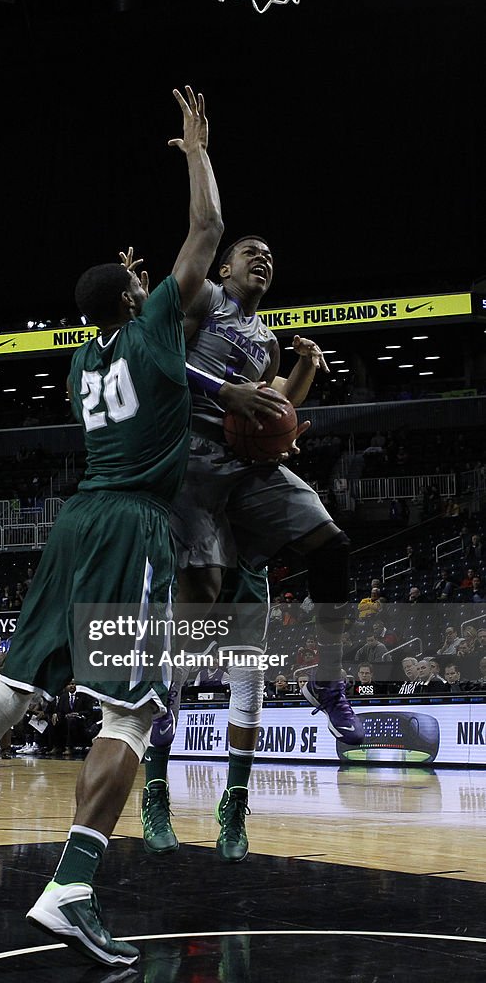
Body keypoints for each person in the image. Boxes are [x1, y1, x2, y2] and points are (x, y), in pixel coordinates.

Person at [0, 85, 223, 968]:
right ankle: (70, 889)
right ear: (138, 302)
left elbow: (137, 325)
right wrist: (195, 157)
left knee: (11, 691)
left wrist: (131, 289)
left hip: (74, 523)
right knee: (133, 714)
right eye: (144, 286)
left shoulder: (81, 362)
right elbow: (208, 233)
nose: (155, 286)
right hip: (130, 524)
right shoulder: (151, 330)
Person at [140, 234, 363, 862]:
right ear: (223, 266)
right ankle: (155, 784)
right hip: (191, 467)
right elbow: (157, 358)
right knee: (195, 617)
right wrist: (221, 391)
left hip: (244, 476)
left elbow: (271, 414)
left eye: (271, 254)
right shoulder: (203, 299)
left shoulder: (265, 338)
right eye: (251, 252)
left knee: (332, 544)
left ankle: (323, 685)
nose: (263, 259)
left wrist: (304, 373)